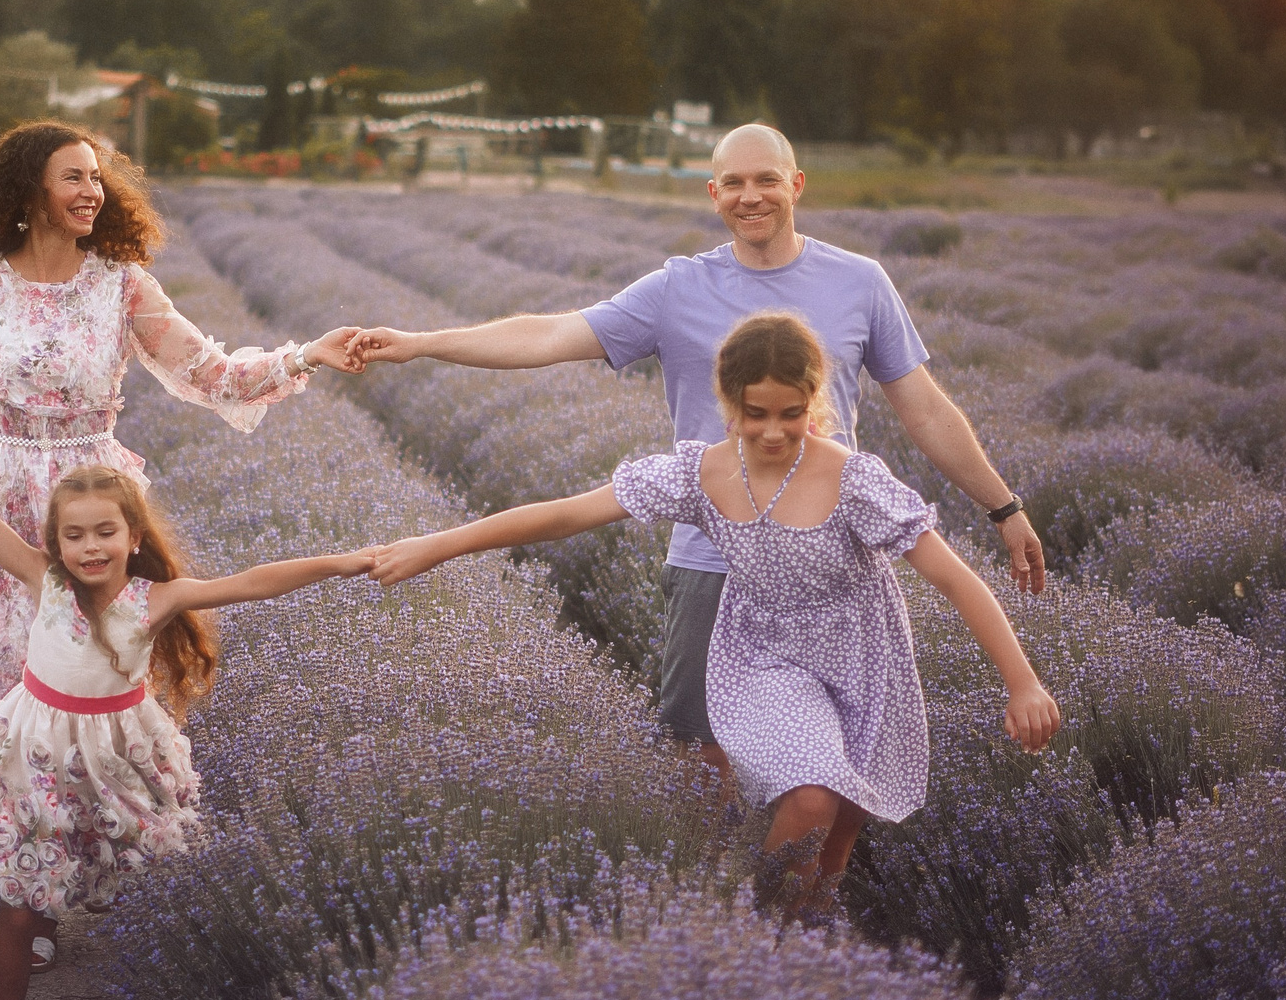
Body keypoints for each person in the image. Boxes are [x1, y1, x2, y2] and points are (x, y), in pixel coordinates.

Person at [349, 122, 1041, 789]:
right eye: (733, 183)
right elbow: (548, 335)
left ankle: (801, 897)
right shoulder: (678, 289)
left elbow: (923, 407)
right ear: (712, 193)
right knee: (701, 756)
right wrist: (420, 342)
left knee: (836, 764)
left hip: (828, 564)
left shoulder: (860, 282)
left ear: (796, 184)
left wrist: (1002, 506)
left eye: (766, 179)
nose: (751, 196)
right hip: (713, 558)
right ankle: (721, 899)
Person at [369, 312, 1061, 915]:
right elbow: (564, 515)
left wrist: (1022, 681)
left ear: (813, 401)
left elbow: (955, 578)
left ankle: (801, 955)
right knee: (814, 800)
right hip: (765, 655)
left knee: (841, 833)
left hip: (863, 656)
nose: (771, 431)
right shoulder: (701, 472)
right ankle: (738, 937)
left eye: (790, 413)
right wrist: (438, 545)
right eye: (754, 413)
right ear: (727, 403)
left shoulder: (852, 480)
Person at [0, 119, 359, 786]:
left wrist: (307, 354)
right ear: (29, 191)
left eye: (97, 177)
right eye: (73, 177)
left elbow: (213, 376)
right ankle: (13, 854)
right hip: (0, 498)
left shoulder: (122, 285)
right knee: (3, 685)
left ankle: (88, 856)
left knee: (90, 685)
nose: (93, 191)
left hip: (92, 508)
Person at [0, 393, 376, 1000]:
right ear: (56, 544)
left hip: (121, 752)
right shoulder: (47, 583)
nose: (90, 547)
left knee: (153, 868)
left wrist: (345, 561)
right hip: (38, 751)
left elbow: (252, 582)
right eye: (75, 536)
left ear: (135, 538)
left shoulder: (155, 599)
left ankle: (197, 999)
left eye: (105, 533)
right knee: (19, 897)